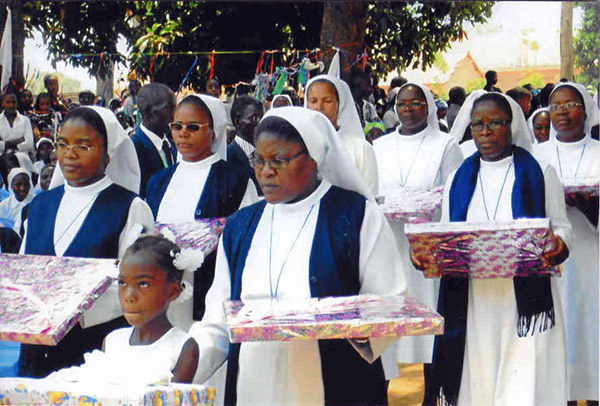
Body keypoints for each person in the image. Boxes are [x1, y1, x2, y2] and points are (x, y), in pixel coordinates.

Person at [189, 107, 406, 406]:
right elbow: (218, 319)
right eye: (259, 160)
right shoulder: (240, 226)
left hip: (330, 381)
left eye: (278, 160)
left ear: (313, 158)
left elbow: (389, 299)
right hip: (254, 381)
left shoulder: (355, 216)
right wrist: (181, 370)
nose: (265, 171)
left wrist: (357, 329)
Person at [421, 92, 572, 406]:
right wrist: (426, 254)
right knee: (479, 378)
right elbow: (447, 234)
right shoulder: (458, 178)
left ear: (511, 126)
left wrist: (558, 244)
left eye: (495, 123)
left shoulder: (540, 172)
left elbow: (561, 227)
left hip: (523, 300)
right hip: (475, 298)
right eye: (478, 124)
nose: (485, 131)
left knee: (523, 382)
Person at [18, 105, 154, 378]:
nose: (70, 154)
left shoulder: (129, 207)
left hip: (96, 348)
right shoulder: (41, 206)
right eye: (63, 144)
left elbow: (139, 284)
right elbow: (24, 270)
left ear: (107, 154)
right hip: (36, 347)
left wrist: (72, 306)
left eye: (83, 146)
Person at [146, 94, 259, 328]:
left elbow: (246, 241)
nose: (183, 133)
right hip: (163, 295)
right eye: (177, 126)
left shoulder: (235, 181)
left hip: (209, 294)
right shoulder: (158, 182)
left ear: (214, 131)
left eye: (193, 127)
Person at [373, 82, 462, 370]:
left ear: (429, 107)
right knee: (391, 319)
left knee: (428, 316)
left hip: (428, 245)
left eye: (416, 103)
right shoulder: (380, 146)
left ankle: (430, 387)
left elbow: (456, 192)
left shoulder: (445, 144)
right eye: (402, 104)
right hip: (391, 241)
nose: (408, 109)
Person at [45, 235, 200, 385]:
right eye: (122, 283)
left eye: (143, 284)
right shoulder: (113, 341)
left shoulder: (183, 348)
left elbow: (171, 398)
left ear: (173, 291)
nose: (129, 296)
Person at [533, 82, 599, 405]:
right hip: (552, 257)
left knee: (592, 327)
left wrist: (590, 207)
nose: (562, 112)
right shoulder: (535, 155)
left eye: (571, 105)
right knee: (561, 328)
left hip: (592, 256)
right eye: (556, 106)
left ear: (586, 111)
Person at [305, 74, 379, 195]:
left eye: (327, 101)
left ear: (340, 104)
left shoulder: (361, 150)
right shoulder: (297, 147)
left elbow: (370, 198)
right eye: (313, 101)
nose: (319, 107)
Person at [130, 83, 177, 197]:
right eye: (169, 108)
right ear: (150, 114)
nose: (175, 114)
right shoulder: (133, 148)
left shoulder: (172, 144)